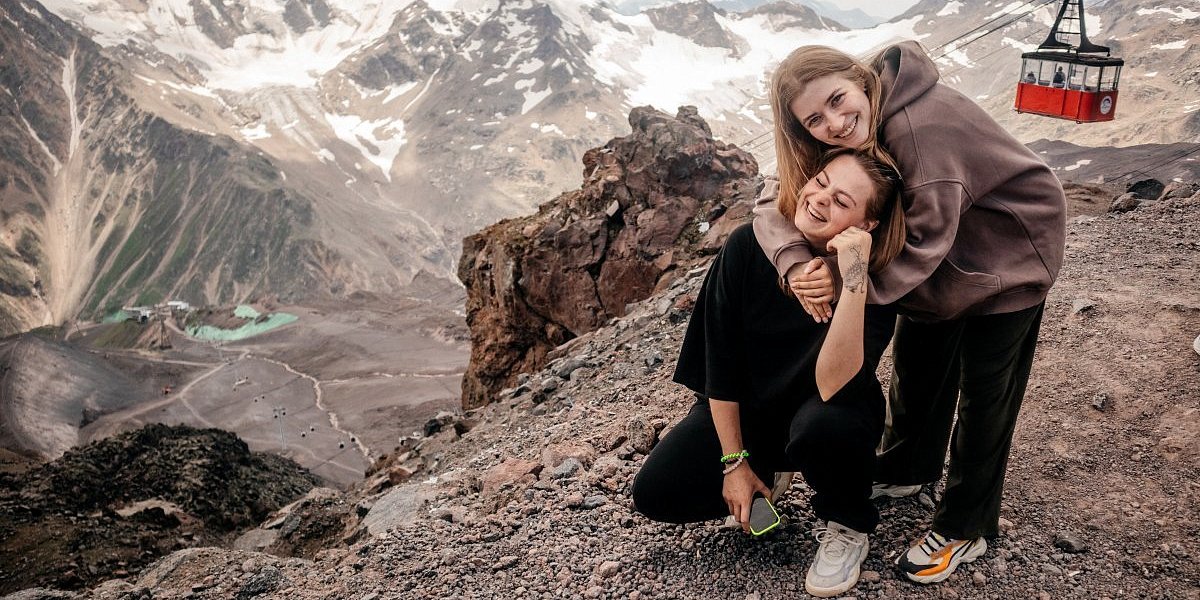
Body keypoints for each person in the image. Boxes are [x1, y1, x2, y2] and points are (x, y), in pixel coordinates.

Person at [752, 41, 1066, 585]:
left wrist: (841, 284)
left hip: (1008, 254)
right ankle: (906, 469)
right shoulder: (846, 133)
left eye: (836, 100)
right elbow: (771, 198)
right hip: (944, 263)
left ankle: (966, 524)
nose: (834, 123)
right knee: (918, 368)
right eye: (814, 120)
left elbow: (922, 246)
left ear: (858, 78)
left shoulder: (923, 129)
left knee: (986, 394)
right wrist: (795, 262)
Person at [632, 149, 904, 598]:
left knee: (824, 426)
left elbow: (833, 383)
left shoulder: (877, 280)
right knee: (656, 492)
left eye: (842, 201)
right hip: (752, 414)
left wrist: (854, 277)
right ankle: (765, 473)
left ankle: (847, 524)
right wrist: (734, 462)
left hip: (825, 415)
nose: (820, 199)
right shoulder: (746, 245)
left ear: (867, 224)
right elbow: (718, 364)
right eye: (821, 182)